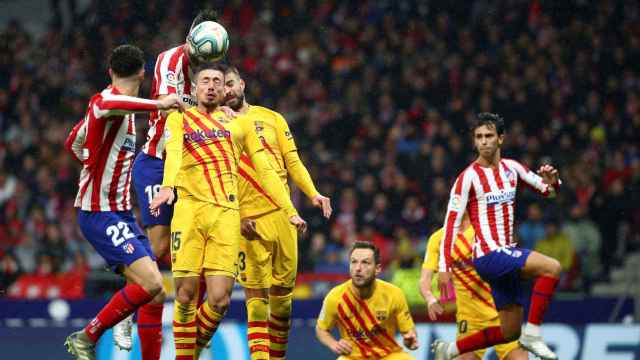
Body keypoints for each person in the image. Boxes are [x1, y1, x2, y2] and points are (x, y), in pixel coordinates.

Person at [149, 63, 306, 360]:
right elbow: (174, 157)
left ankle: (189, 350)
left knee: (219, 300)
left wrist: (289, 209)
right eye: (204, 81)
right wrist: (168, 186)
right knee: (184, 295)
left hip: (226, 216)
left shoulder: (240, 125)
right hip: (189, 214)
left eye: (217, 82)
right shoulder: (178, 120)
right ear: (194, 88)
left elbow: (267, 171)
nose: (210, 86)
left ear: (225, 89)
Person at [63, 44, 184, 360]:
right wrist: (159, 104)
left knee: (155, 294)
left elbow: (73, 140)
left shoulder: (125, 112)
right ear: (143, 73)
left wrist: (92, 162)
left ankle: (127, 318)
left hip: (119, 213)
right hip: (100, 213)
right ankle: (87, 335)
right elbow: (107, 103)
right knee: (154, 281)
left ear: (110, 70)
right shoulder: (108, 103)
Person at [120, 8, 222, 352]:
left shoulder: (213, 74)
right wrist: (210, 107)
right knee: (160, 249)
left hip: (195, 170)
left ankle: (193, 338)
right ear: (193, 34)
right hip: (158, 162)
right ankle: (126, 302)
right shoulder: (168, 60)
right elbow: (168, 106)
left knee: (199, 257)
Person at [432, 113, 562, 360]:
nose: (483, 142)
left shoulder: (512, 169)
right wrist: (444, 267)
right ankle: (533, 334)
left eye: (489, 136)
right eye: (479, 137)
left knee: (509, 332)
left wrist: (554, 183)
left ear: (500, 139)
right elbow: (450, 224)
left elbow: (548, 192)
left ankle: (451, 350)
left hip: (504, 255)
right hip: (488, 255)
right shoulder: (467, 178)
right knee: (552, 268)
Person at [224, 66, 332, 360]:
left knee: (282, 304)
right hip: (246, 220)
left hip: (282, 216)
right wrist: (235, 218)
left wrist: (313, 194)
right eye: (223, 86)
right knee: (256, 302)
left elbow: (293, 162)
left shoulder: (272, 118)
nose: (228, 90)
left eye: (232, 83)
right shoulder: (217, 127)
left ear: (242, 84)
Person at [420, 212, 528, 359]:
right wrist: (429, 298)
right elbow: (424, 279)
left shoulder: (487, 231)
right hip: (471, 319)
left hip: (502, 312)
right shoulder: (439, 239)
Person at [316, 241, 419, 360]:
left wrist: (410, 339)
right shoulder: (335, 297)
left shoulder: (394, 293)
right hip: (353, 358)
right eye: (354, 262)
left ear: (377, 269)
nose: (358, 268)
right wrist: (334, 344)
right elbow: (321, 329)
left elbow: (409, 331)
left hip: (389, 356)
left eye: (365, 262)